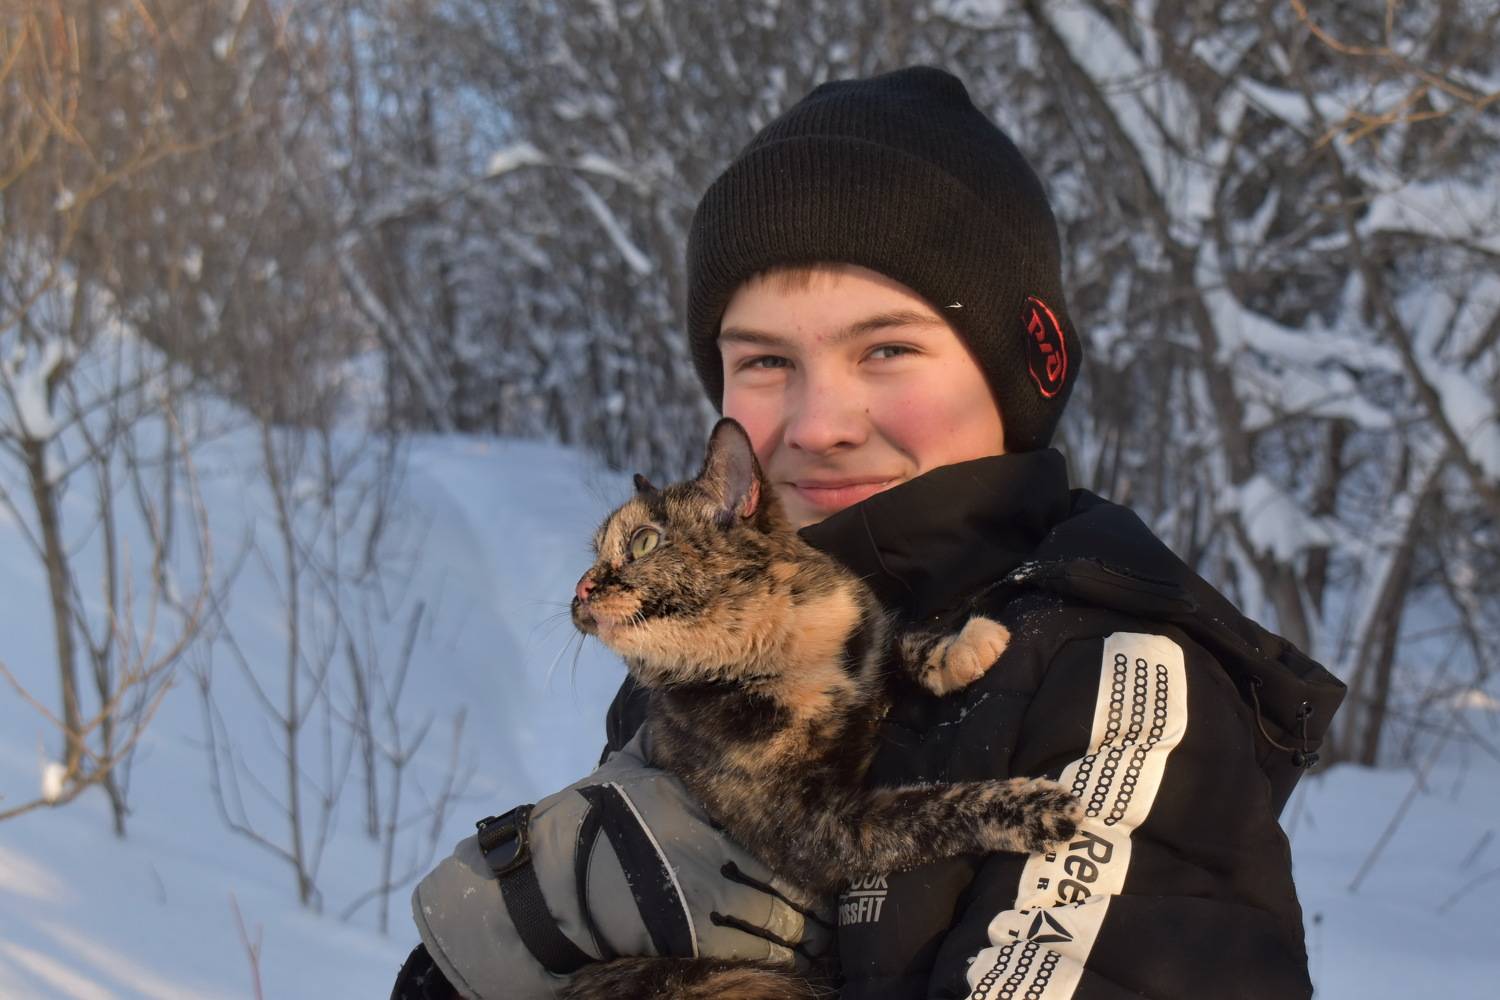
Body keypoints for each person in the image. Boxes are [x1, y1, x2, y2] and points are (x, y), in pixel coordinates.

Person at [393, 65, 1345, 1000]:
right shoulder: (712, 648)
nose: (819, 425)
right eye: (765, 361)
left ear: (1022, 369)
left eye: (887, 348)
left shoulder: (1116, 681)